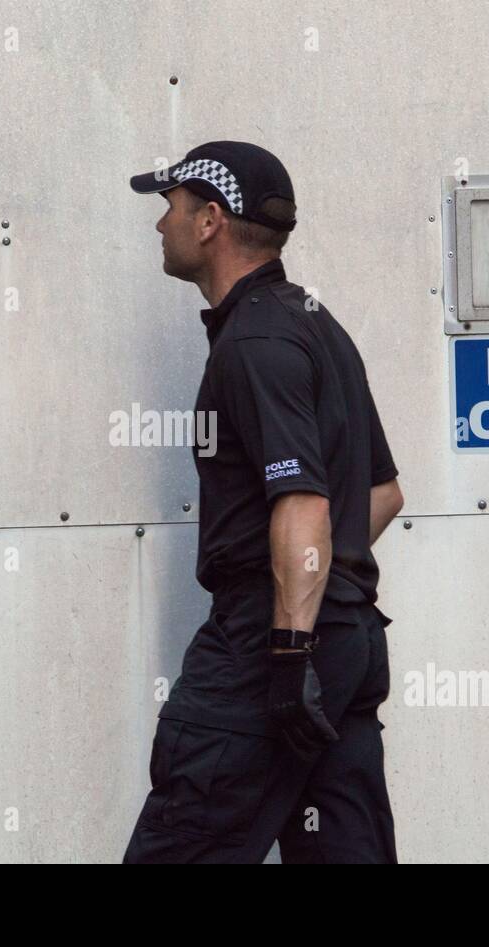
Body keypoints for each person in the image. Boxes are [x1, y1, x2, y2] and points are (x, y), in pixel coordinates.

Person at [121, 141, 406, 863]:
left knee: (184, 844)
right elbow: (379, 494)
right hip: (344, 640)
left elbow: (305, 503)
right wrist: (327, 600)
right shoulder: (317, 325)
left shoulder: (254, 342)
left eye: (171, 206)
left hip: (270, 645)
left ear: (211, 220)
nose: (162, 224)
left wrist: (287, 651)